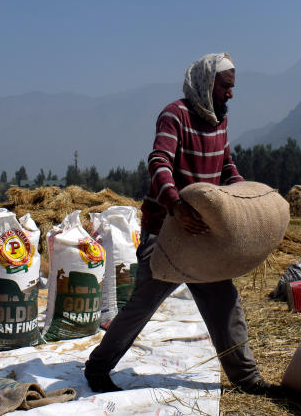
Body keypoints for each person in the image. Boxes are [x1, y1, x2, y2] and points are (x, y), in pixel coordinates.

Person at [84, 53, 275, 395]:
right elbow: (159, 161)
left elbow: (226, 166)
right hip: (169, 230)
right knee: (143, 303)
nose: (231, 94)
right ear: (206, 84)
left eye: (233, 87)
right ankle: (97, 368)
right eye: (225, 86)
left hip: (204, 233)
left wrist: (245, 198)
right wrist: (175, 204)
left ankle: (247, 379)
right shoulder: (176, 115)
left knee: (224, 303)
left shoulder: (219, 120)